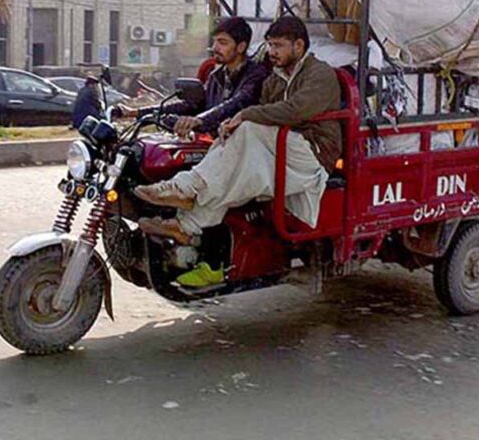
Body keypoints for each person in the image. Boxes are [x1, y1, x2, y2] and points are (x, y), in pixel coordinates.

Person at [135, 16, 343, 288]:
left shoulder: (320, 74)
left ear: (299, 45)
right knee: (232, 168)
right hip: (281, 151)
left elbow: (294, 111)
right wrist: (230, 127)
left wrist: (243, 116)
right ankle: (186, 225)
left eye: (278, 46)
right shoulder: (274, 79)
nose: (272, 52)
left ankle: (187, 188)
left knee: (246, 129)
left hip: (312, 154)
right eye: (269, 45)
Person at [122, 17, 269, 137]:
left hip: (241, 149)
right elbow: (193, 104)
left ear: (241, 47)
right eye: (215, 42)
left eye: (223, 43)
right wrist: (136, 112)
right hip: (216, 145)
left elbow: (234, 104)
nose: (215, 48)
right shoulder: (216, 76)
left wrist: (198, 120)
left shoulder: (256, 75)